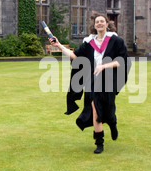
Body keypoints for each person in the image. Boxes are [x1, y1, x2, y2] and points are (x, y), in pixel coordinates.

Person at [50, 14, 131, 154]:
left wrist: (104, 66)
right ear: (94, 25)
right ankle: (99, 143)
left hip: (109, 79)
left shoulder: (116, 41)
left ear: (107, 24)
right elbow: (76, 56)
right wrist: (59, 45)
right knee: (95, 109)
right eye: (97, 22)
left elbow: (122, 61)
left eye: (102, 21)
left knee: (108, 108)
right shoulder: (89, 43)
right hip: (93, 80)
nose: (99, 23)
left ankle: (112, 122)